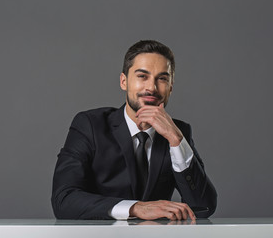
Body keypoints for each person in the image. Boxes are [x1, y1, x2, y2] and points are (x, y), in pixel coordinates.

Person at [51, 40, 217, 220]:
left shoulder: (178, 132)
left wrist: (176, 140)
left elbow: (203, 207)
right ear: (124, 81)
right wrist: (135, 208)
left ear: (170, 88)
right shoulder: (90, 125)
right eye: (142, 76)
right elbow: (63, 200)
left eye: (162, 79)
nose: (151, 88)